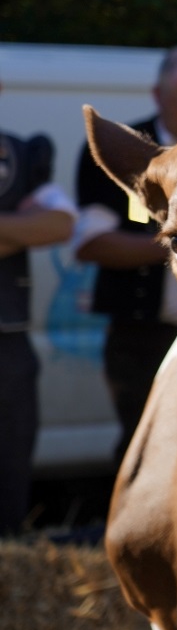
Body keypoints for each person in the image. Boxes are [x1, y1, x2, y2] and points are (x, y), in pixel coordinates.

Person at [74, 45, 177, 462]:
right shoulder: (125, 153)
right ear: (158, 96)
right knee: (145, 448)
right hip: (141, 335)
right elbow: (91, 244)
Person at [1, 96, 77, 535]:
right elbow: (40, 226)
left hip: (10, 344)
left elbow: (61, 224)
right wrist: (19, 225)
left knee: (11, 470)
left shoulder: (22, 154)